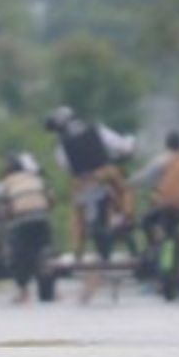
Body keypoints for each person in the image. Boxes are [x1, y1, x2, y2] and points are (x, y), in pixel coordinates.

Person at [44, 105, 136, 258]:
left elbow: (65, 166)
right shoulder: (95, 128)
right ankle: (126, 218)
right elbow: (121, 146)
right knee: (126, 189)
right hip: (104, 173)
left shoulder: (61, 144)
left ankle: (77, 250)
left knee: (77, 213)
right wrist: (128, 147)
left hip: (81, 181)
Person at [129, 130, 179, 279]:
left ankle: (155, 253)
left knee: (149, 224)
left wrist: (128, 182)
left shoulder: (162, 160)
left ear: (167, 145)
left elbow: (145, 176)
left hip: (166, 208)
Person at [0, 152, 52, 304]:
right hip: (42, 219)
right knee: (44, 251)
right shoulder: (35, 178)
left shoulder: (6, 182)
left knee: (17, 256)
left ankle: (23, 291)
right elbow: (51, 198)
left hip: (21, 222)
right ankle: (50, 288)